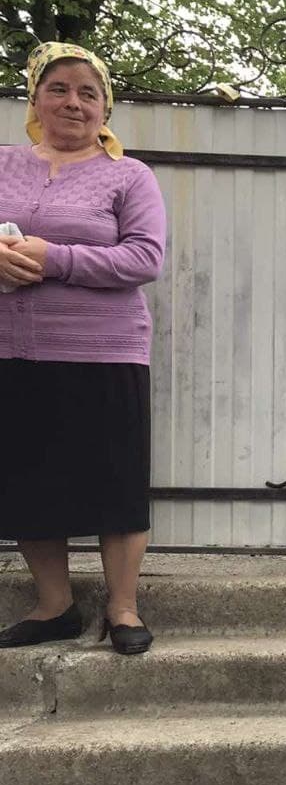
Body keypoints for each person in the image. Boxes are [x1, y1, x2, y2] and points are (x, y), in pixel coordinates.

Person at [0, 42, 166, 655]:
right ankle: (54, 607)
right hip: (13, 350)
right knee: (27, 479)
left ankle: (122, 608)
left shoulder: (130, 175)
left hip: (105, 351)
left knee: (114, 482)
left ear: (105, 107)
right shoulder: (2, 163)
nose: (74, 102)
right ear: (35, 100)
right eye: (59, 89)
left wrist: (55, 258)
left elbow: (144, 258)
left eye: (88, 92)